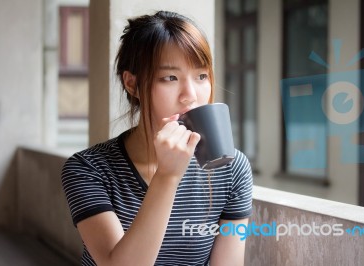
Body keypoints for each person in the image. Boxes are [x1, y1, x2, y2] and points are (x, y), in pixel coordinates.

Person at [61, 10, 253, 266]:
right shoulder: (88, 169)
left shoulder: (232, 168)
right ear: (132, 84)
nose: (190, 95)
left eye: (201, 76)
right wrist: (167, 176)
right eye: (170, 78)